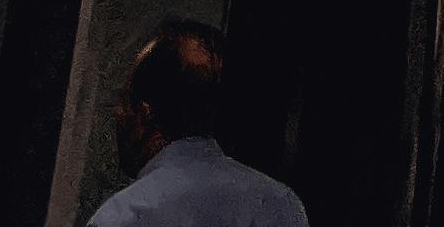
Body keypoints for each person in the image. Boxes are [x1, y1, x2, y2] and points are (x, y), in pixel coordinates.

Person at [90, 22, 307, 227]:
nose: (117, 113)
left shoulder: (122, 216)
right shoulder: (279, 203)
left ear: (144, 115)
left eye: (125, 100)